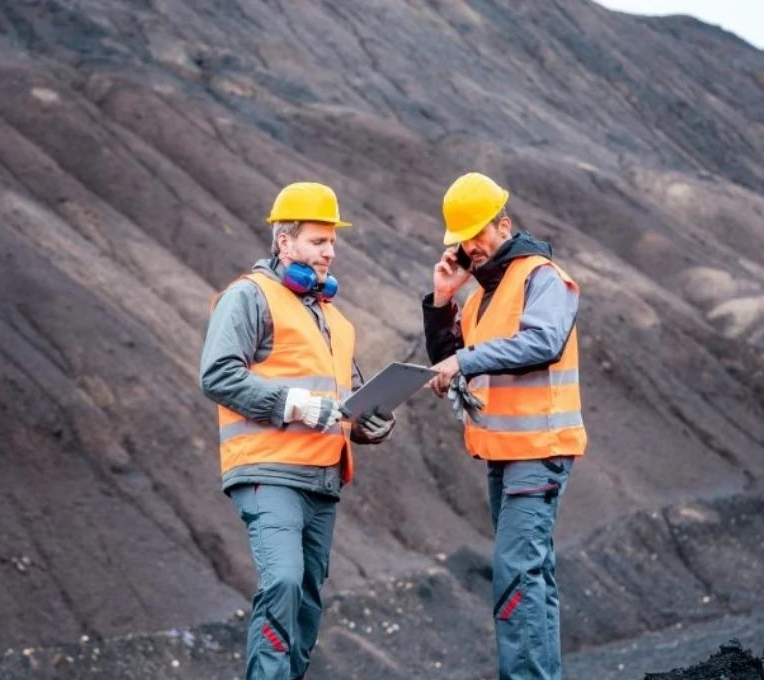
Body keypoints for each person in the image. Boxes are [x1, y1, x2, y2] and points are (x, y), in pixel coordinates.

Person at [199, 181, 395, 680]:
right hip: (269, 472)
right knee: (283, 583)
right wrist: (293, 404)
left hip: (322, 480)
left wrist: (374, 421)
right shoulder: (249, 296)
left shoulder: (336, 321)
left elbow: (346, 402)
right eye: (317, 241)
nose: (329, 252)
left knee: (306, 605)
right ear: (284, 242)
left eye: (332, 242)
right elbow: (218, 374)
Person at [421, 172, 586, 680]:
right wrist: (443, 299)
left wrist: (464, 362)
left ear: (504, 225)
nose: (471, 246)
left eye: (478, 234)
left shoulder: (542, 277)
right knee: (534, 577)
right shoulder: (478, 299)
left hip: (539, 449)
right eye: (462, 240)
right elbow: (451, 360)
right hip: (503, 452)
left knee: (516, 577)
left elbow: (543, 342)